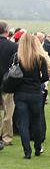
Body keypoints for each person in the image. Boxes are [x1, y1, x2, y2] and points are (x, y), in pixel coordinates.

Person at [11, 33, 50, 158]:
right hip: (34, 92)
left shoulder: (17, 58)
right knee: (36, 120)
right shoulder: (39, 59)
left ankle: (27, 151)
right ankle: (38, 147)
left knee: (23, 122)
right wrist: (37, 81)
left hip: (21, 92)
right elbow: (45, 77)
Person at [0, 21, 19, 150]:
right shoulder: (13, 47)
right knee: (8, 112)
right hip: (8, 81)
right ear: (7, 32)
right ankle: (6, 137)